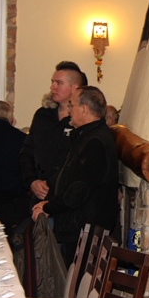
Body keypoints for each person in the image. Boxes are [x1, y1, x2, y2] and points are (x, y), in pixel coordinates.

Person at [32, 86, 119, 268]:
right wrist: (49, 187)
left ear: (84, 109)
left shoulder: (95, 142)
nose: (68, 110)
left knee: (77, 281)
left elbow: (78, 190)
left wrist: (49, 206)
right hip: (78, 227)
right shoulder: (86, 136)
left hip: (86, 230)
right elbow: (69, 173)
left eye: (71, 105)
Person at [20, 61, 87, 204]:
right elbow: (27, 153)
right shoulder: (42, 115)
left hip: (67, 197)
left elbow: (81, 163)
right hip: (39, 193)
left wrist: (54, 183)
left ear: (74, 88)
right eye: (52, 82)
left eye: (59, 83)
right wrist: (32, 181)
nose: (52, 87)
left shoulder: (83, 119)